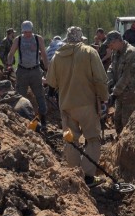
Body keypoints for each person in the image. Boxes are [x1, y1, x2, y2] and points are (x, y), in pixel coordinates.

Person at [46, 26, 109, 188]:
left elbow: (51, 82)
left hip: (66, 105)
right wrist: (104, 98)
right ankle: (88, 177)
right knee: (93, 139)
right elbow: (100, 79)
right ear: (80, 38)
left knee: (71, 140)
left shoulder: (57, 56)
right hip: (87, 104)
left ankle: (74, 174)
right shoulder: (89, 52)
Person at [6, 21, 49, 128]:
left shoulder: (38, 39)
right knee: (20, 96)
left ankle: (43, 121)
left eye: (29, 32)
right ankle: (22, 120)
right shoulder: (18, 39)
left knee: (40, 95)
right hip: (22, 71)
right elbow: (11, 53)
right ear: (22, 31)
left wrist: (47, 68)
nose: (27, 34)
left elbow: (43, 53)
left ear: (32, 30)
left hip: (35, 71)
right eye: (25, 32)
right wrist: (9, 64)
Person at [104, 31, 135, 135]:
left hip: (129, 96)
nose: (110, 47)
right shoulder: (116, 52)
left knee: (127, 124)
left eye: (111, 44)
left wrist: (114, 93)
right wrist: (110, 83)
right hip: (119, 95)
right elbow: (111, 68)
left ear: (117, 41)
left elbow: (126, 77)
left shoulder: (131, 53)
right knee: (117, 121)